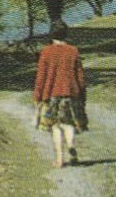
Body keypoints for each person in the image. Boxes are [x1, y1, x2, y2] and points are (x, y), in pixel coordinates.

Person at [33, 20, 88, 168]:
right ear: (66, 34)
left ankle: (59, 159)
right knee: (68, 123)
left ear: (51, 34)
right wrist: (82, 94)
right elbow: (79, 76)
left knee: (56, 126)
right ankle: (70, 144)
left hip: (52, 94)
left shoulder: (46, 52)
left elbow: (41, 76)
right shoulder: (73, 51)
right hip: (71, 92)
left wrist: (37, 96)